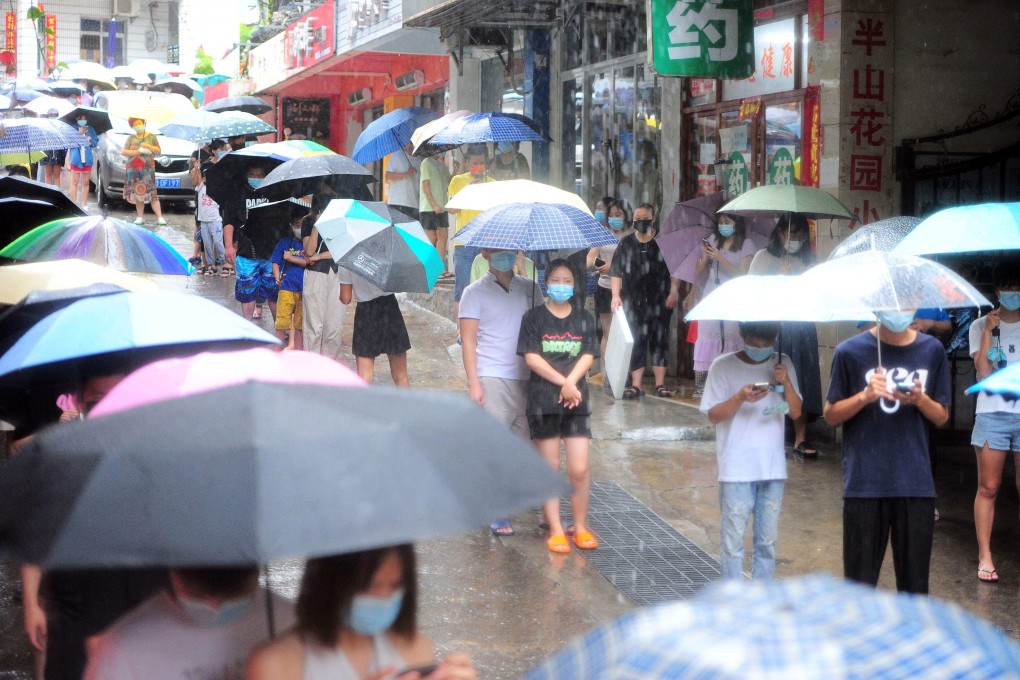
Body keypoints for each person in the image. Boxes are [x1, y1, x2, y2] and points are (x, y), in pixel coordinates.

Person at [21, 362, 169, 680]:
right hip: (75, 612)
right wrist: (33, 602)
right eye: (96, 399)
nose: (108, 407)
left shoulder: (162, 455)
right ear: (80, 401)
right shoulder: (60, 455)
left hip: (144, 611)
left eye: (118, 396)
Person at [824, 309, 951, 594]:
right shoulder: (849, 351)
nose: (899, 310)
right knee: (859, 586)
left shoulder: (932, 350)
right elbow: (831, 414)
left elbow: (942, 416)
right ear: (875, 306)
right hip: (864, 484)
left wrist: (919, 399)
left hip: (915, 484)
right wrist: (865, 396)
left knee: (915, 589)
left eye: (906, 303)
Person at [246, 546, 476, 680]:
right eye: (371, 586)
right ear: (331, 583)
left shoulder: (414, 647)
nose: (385, 598)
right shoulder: (275, 665)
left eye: (395, 586)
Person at [701, 321, 802, 579]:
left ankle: (762, 600)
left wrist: (786, 381)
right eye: (755, 343)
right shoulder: (722, 366)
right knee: (733, 545)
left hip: (772, 468)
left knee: (767, 544)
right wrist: (739, 398)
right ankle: (734, 600)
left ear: (776, 337)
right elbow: (713, 415)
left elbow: (796, 411)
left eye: (766, 345)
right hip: (736, 469)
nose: (761, 349)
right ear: (743, 334)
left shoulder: (782, 362)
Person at [459, 248, 543, 537]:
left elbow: (543, 330)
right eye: (497, 249)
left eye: (509, 249)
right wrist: (474, 383)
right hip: (492, 375)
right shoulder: (473, 293)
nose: (503, 254)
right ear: (485, 252)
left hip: (528, 377)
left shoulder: (531, 289)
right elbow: (468, 342)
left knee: (524, 445)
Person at [518, 259, 599, 554]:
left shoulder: (585, 319)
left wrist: (571, 383)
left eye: (567, 280)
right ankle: (555, 528)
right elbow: (531, 357)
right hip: (543, 399)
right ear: (545, 282)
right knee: (550, 468)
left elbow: (588, 355)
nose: (561, 285)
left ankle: (579, 526)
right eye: (556, 279)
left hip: (576, 399)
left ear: (574, 285)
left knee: (579, 468)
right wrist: (561, 381)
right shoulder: (533, 318)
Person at [85, 566, 294, 679]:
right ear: (173, 570)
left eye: (232, 599)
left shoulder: (293, 623)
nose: (215, 606)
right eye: (201, 597)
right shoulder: (122, 648)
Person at [748, 213, 823, 457]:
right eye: (789, 232)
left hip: (801, 327)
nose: (794, 238)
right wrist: (777, 279)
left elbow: (816, 294)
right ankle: (769, 432)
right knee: (771, 381)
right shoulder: (763, 258)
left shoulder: (809, 261)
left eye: (800, 233)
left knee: (799, 379)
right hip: (770, 327)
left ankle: (800, 437)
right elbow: (751, 293)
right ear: (779, 233)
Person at [970, 264, 1020, 583]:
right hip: (992, 412)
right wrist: (989, 330)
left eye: (1017, 288)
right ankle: (985, 556)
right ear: (998, 291)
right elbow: (983, 372)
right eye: (1007, 288)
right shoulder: (979, 325)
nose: (1012, 295)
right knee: (989, 486)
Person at [609, 203, 680, 399]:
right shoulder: (626, 243)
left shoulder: (664, 243)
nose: (640, 222)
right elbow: (616, 271)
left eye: (644, 218)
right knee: (637, 341)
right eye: (637, 218)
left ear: (653, 217)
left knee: (659, 340)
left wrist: (673, 292)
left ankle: (660, 384)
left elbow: (675, 271)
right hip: (633, 301)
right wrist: (616, 295)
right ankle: (636, 385)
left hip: (660, 300)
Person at [692, 213, 756, 397]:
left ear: (737, 224)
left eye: (727, 222)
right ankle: (704, 385)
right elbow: (698, 270)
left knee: (731, 337)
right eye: (720, 222)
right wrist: (705, 256)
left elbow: (742, 274)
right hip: (712, 296)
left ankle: (731, 383)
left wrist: (721, 258)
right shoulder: (713, 239)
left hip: (734, 298)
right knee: (707, 336)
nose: (723, 226)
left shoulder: (746, 244)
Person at [447, 144, 496, 322]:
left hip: (488, 242)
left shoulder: (493, 184)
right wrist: (469, 189)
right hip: (464, 243)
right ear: (467, 163)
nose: (478, 167)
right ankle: (460, 331)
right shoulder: (457, 181)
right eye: (475, 163)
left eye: (482, 163)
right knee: (463, 289)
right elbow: (452, 209)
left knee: (489, 287)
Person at [338, 269, 411, 386]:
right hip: (390, 309)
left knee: (365, 378)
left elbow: (346, 298)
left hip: (366, 313)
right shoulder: (387, 253)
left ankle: (367, 405)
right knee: (401, 376)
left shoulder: (348, 260)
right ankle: (407, 405)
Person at [223, 165, 276, 323]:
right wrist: (229, 246)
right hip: (246, 252)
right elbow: (229, 221)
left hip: (270, 252)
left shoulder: (274, 193)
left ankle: (280, 328)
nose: (256, 177)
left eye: (260, 174)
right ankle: (247, 326)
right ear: (246, 175)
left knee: (274, 293)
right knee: (247, 291)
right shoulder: (237, 194)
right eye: (252, 174)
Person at [301, 191, 346, 360]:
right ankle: (312, 365)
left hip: (337, 274)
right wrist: (317, 226)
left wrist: (320, 256)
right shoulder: (308, 221)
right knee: (314, 325)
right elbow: (309, 250)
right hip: (315, 275)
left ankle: (329, 365)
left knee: (334, 326)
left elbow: (342, 250)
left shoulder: (341, 223)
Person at [586, 196, 624, 370]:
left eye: (619, 214)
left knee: (623, 332)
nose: (615, 217)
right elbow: (589, 260)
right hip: (604, 288)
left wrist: (617, 268)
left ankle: (623, 370)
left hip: (626, 289)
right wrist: (605, 266)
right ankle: (606, 369)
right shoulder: (602, 233)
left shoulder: (632, 235)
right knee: (607, 331)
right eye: (612, 214)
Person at [271, 213, 307, 350]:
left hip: (304, 289)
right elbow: (275, 261)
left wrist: (292, 258)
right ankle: (276, 353)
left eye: (302, 226)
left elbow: (309, 262)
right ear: (291, 226)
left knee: (300, 326)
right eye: (297, 225)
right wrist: (276, 277)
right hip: (286, 287)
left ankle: (298, 353)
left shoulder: (309, 244)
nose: (299, 229)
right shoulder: (285, 242)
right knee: (281, 324)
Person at [121, 117, 166, 226]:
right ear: (132, 126)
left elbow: (158, 151)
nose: (138, 126)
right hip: (134, 171)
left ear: (144, 123)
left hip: (147, 171)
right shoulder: (131, 138)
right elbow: (124, 151)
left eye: (139, 123)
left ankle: (160, 217)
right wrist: (137, 151)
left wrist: (148, 146)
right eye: (135, 124)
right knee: (138, 193)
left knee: (152, 193)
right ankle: (140, 217)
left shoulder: (151, 137)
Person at [192, 147, 227, 277]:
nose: (207, 179)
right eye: (205, 177)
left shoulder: (219, 188)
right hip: (204, 220)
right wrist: (197, 168)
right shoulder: (200, 186)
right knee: (206, 244)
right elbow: (196, 180)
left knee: (218, 242)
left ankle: (225, 262)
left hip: (216, 220)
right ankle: (211, 266)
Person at [418, 151, 452, 277]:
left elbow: (449, 182)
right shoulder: (426, 162)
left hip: (442, 206)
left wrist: (459, 168)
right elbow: (425, 186)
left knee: (443, 236)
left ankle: (439, 268)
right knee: (431, 238)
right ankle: (427, 268)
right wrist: (434, 204)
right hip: (428, 207)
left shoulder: (441, 164)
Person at [66, 114, 98, 209]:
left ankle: (84, 204)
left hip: (87, 159)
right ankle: (74, 204)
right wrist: (79, 134)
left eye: (85, 119)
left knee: (86, 182)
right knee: (74, 182)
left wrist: (90, 139)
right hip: (76, 159)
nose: (83, 121)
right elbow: (69, 142)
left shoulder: (90, 129)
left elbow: (95, 142)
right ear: (77, 119)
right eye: (81, 119)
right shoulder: (72, 128)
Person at [385, 144, 421, 221]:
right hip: (398, 202)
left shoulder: (420, 160)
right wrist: (407, 174)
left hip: (414, 204)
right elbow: (388, 175)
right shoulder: (397, 156)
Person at [40, 109, 66, 188]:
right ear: (48, 116)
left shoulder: (61, 127)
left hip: (58, 153)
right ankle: (48, 193)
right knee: (48, 174)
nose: (53, 117)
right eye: (51, 116)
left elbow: (64, 140)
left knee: (57, 175)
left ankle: (56, 193)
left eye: (55, 116)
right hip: (47, 152)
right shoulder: (44, 127)